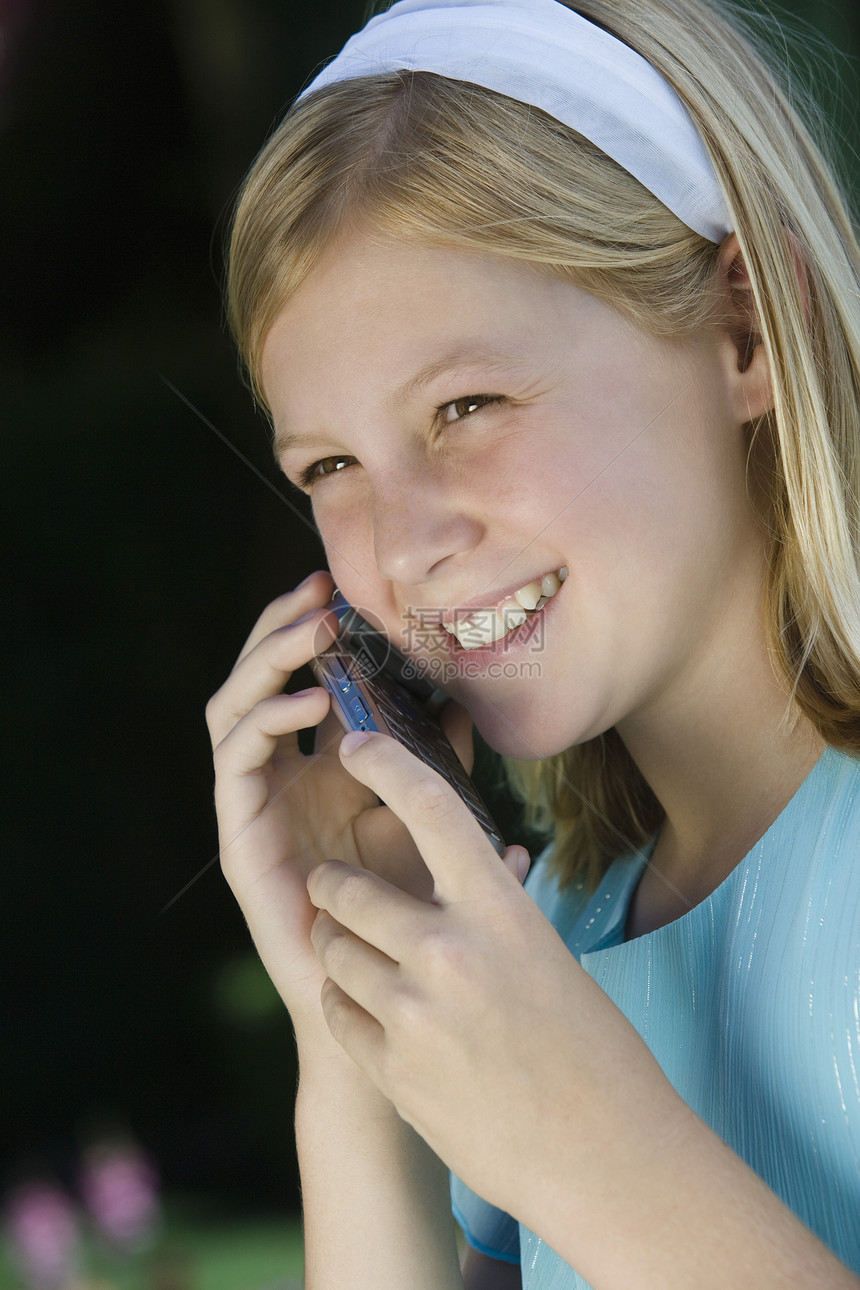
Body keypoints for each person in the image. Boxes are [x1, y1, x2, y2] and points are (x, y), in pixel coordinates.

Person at [205, 0, 860, 1284]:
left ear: (744, 328)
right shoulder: (548, 929)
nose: (400, 549)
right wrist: (349, 1028)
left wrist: (583, 1147)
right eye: (330, 463)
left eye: (467, 404)